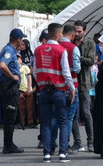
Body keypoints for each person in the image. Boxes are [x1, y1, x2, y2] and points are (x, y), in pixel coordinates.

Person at [34, 23, 76, 163]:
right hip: (58, 91)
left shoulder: (38, 50)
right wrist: (72, 88)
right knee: (63, 122)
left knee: (45, 123)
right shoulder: (61, 50)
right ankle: (62, 153)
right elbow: (66, 72)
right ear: (58, 35)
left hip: (43, 91)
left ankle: (47, 154)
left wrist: (41, 83)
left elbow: (35, 72)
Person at [0, 28, 25, 154]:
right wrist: (12, 76)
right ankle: (8, 145)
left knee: (12, 115)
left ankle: (9, 143)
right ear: (18, 39)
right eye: (21, 39)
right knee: (10, 116)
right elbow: (2, 65)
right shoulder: (9, 50)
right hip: (9, 87)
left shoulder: (10, 50)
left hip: (11, 87)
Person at [73, 20, 95, 152]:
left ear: (84, 32)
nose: (76, 33)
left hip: (85, 82)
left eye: (79, 31)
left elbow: (91, 61)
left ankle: (91, 141)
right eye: (75, 31)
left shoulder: (89, 43)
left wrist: (76, 57)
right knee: (74, 115)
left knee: (86, 113)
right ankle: (77, 142)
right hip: (72, 83)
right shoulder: (70, 43)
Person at [58, 24, 81, 155]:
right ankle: (65, 145)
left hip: (58, 86)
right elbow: (77, 69)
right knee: (69, 117)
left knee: (57, 117)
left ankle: (49, 144)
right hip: (72, 85)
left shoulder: (56, 46)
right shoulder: (74, 48)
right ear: (72, 35)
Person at [17, 54, 35, 127]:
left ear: (21, 60)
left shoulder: (25, 67)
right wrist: (19, 92)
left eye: (18, 58)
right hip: (20, 90)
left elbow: (29, 77)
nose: (17, 60)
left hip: (27, 89)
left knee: (29, 107)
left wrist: (29, 87)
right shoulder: (14, 69)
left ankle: (31, 122)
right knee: (21, 108)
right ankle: (22, 122)